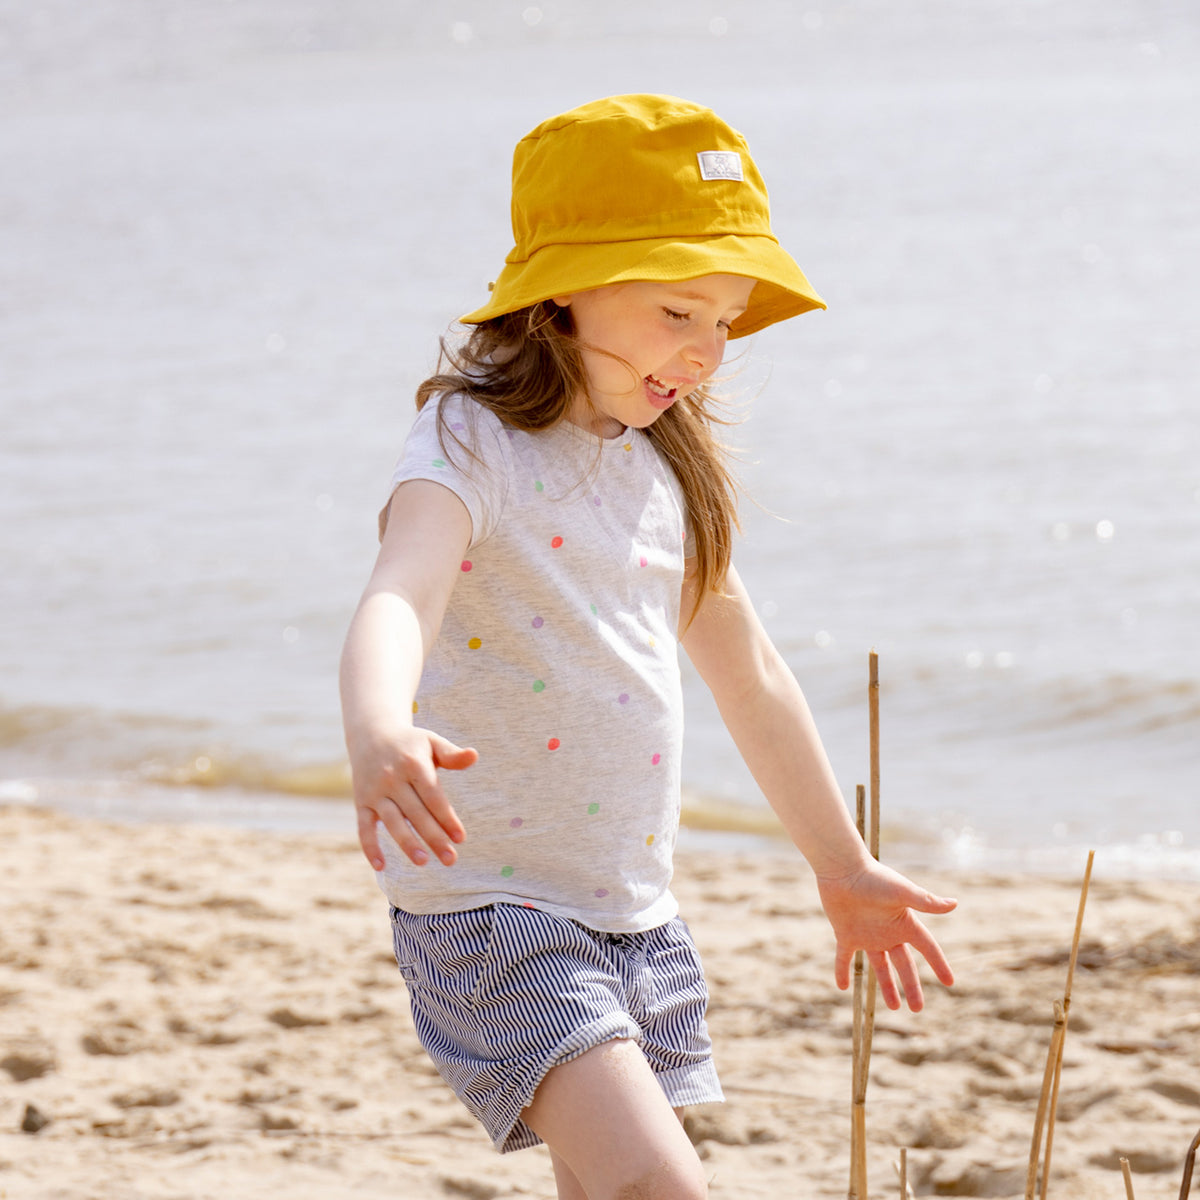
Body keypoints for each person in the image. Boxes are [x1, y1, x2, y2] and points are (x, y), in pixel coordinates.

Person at [339, 94, 956, 1200]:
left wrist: (842, 862)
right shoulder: (468, 439)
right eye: (680, 312)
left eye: (725, 321)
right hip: (496, 909)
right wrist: (379, 725)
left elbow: (752, 677)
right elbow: (402, 588)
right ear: (564, 288)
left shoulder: (663, 469)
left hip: (635, 911)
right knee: (658, 1187)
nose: (710, 353)